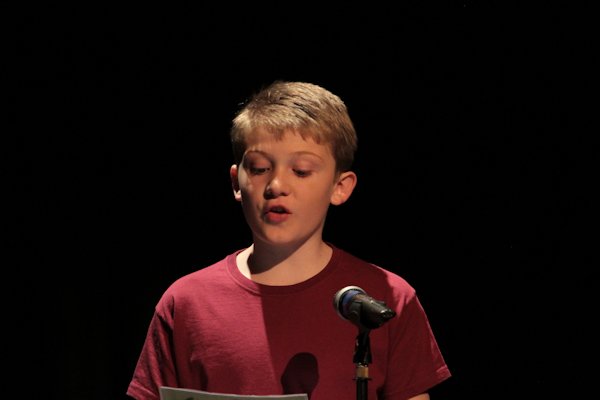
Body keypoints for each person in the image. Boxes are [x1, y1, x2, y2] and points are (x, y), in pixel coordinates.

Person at [126, 81, 451, 400]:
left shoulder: (387, 298)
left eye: (302, 170)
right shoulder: (187, 302)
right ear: (236, 182)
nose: (277, 185)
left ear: (340, 187)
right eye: (260, 168)